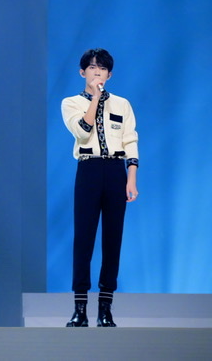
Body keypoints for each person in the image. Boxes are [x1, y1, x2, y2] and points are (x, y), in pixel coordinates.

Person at [61, 48, 139, 327]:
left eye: (102, 68)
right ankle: (80, 309)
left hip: (116, 172)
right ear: (82, 72)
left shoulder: (122, 104)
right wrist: (94, 98)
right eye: (92, 67)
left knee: (113, 238)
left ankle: (105, 309)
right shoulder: (70, 102)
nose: (97, 72)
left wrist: (131, 178)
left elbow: (130, 140)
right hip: (89, 170)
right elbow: (82, 132)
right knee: (83, 239)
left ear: (110, 74)